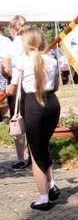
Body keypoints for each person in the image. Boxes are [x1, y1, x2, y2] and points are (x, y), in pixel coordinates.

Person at [12, 27, 61, 210]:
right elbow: (55, 87)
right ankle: (51, 185)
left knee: (35, 153)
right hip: (52, 104)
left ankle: (43, 198)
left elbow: (13, 87)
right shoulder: (52, 60)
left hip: (34, 105)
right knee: (42, 147)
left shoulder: (22, 62)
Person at [3, 15, 28, 168]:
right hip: (31, 85)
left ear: (12, 30)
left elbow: (6, 70)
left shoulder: (9, 46)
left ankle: (20, 157)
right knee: (32, 121)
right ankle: (34, 156)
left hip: (16, 87)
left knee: (16, 120)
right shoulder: (31, 44)